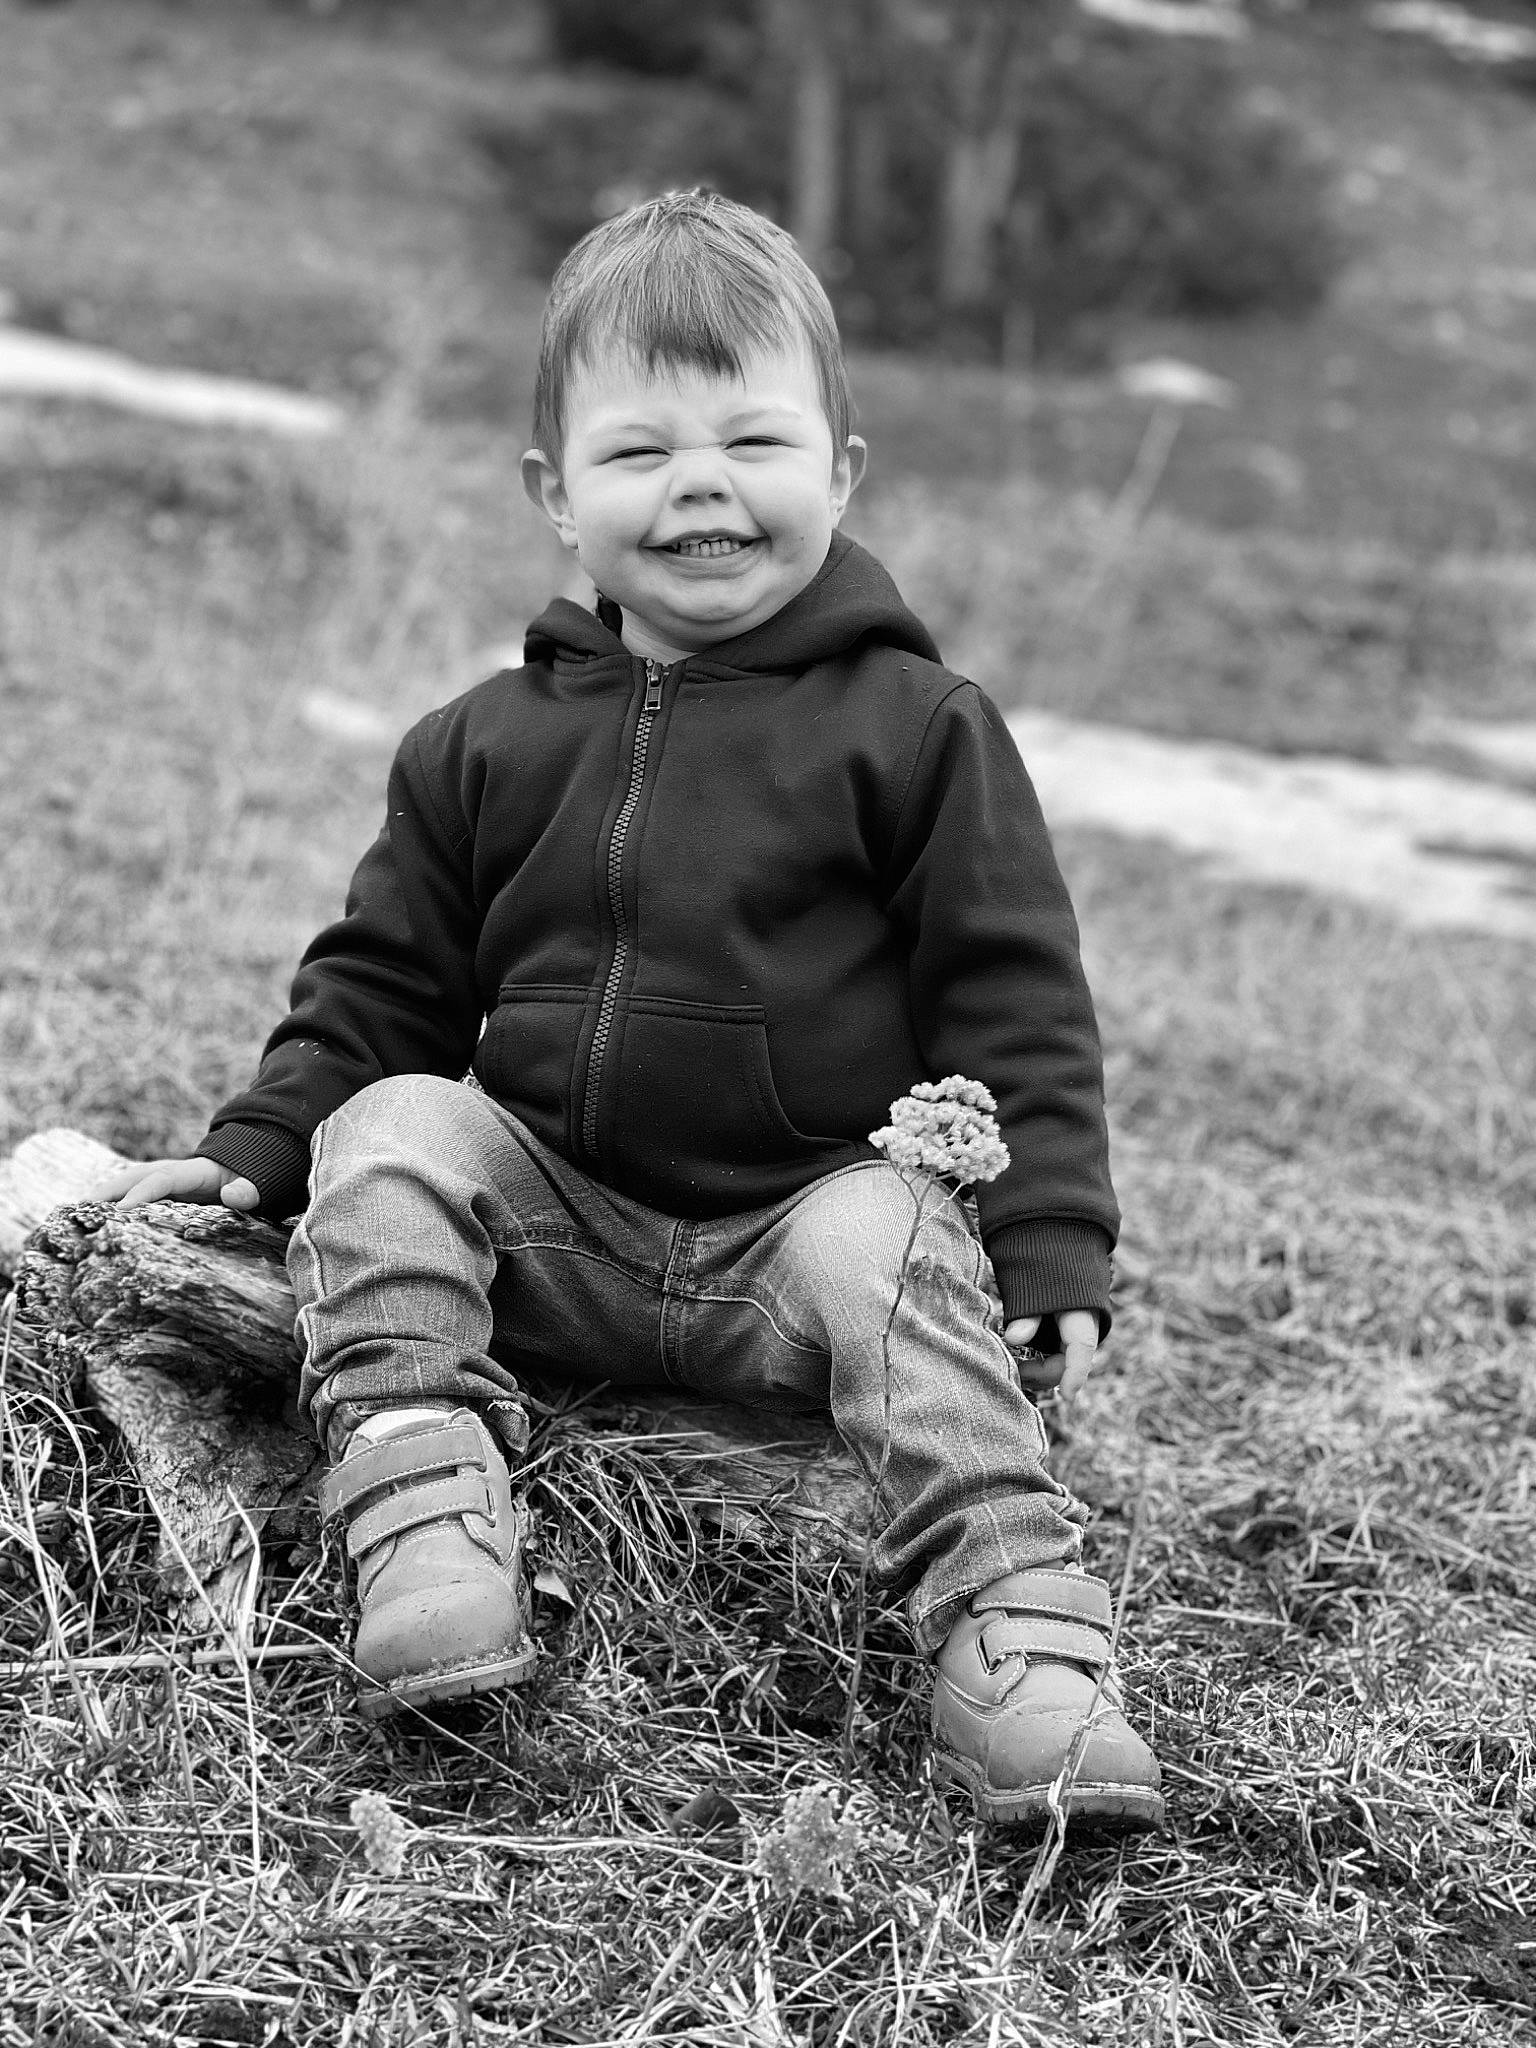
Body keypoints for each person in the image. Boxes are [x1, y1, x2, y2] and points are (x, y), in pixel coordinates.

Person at [92, 190, 1162, 1830]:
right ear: (556, 497)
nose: (703, 487)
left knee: (888, 1239)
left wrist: (1055, 1235)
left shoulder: (917, 727)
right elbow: (382, 981)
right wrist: (262, 1144)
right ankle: (424, 1494)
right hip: (556, 1235)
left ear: (841, 471)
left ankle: (1015, 1632)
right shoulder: (480, 743)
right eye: (641, 452)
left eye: (753, 439)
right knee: (395, 1127)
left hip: (796, 1248)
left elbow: (1010, 989)